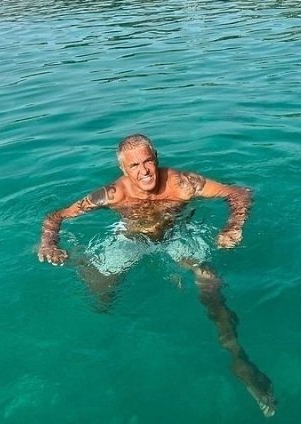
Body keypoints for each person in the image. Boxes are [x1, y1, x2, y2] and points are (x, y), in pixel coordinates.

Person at [38, 134, 276, 417]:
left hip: (177, 234)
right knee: (101, 298)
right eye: (134, 165)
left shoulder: (182, 183)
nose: (144, 171)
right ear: (124, 169)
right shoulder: (113, 194)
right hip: (132, 239)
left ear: (156, 159)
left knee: (210, 284)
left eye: (147, 161)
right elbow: (55, 216)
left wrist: (233, 226)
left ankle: (237, 358)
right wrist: (48, 243)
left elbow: (239, 192)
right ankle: (80, 262)